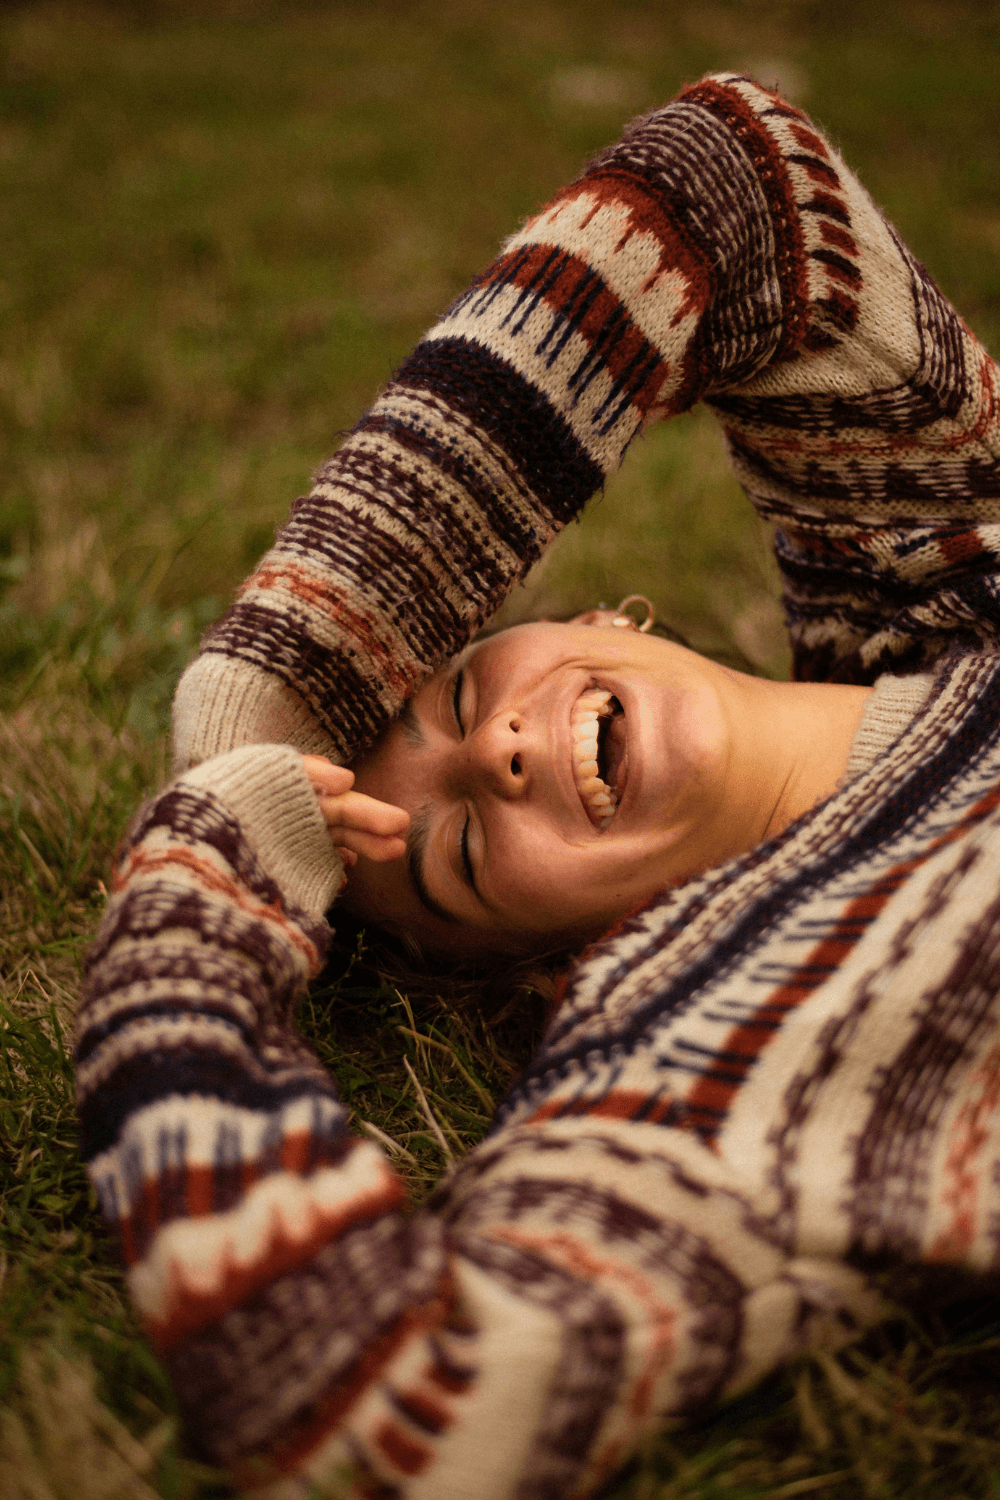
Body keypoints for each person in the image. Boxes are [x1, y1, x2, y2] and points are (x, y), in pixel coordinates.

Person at [75, 72, 1000, 1500]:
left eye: (455, 698)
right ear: (549, 968)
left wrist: (278, 688)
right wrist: (203, 898)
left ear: (601, 620)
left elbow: (737, 183)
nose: (497, 757)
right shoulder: (725, 1040)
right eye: (451, 853)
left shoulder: (935, 571)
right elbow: (381, 1412)